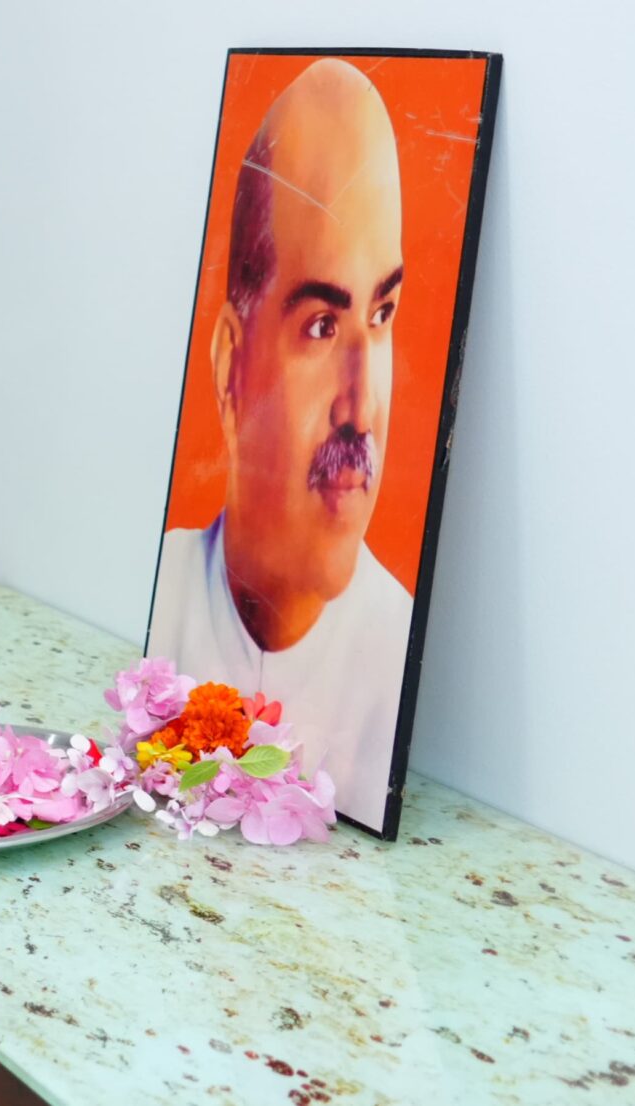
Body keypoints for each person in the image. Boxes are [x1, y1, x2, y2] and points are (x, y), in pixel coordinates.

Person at [147, 57, 414, 821]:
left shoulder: (395, 663)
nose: (361, 408)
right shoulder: (163, 608)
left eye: (382, 316)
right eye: (322, 326)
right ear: (232, 368)